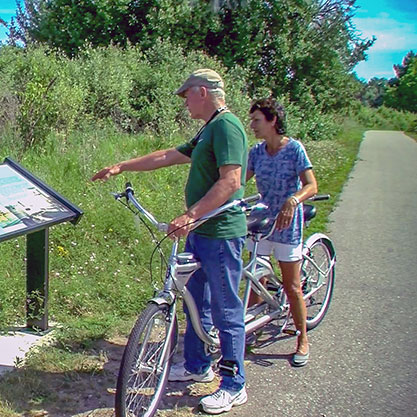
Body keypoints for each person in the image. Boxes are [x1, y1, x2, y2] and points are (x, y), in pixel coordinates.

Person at [91, 69, 248, 414]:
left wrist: (191, 215)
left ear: (203, 92)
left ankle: (235, 384)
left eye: (186, 95)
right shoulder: (209, 129)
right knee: (195, 301)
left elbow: (232, 181)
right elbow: (167, 156)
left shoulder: (227, 126)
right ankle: (195, 366)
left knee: (226, 309)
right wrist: (121, 167)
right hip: (202, 233)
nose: (184, 101)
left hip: (221, 234)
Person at [246, 98, 318, 367]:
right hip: (262, 222)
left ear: (272, 120)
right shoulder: (256, 151)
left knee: (292, 286)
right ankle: (252, 327)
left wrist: (294, 200)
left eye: (256, 120)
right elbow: (241, 181)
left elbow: (311, 185)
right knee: (256, 279)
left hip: (288, 223)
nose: (252, 125)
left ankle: (302, 338)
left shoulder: (294, 149)